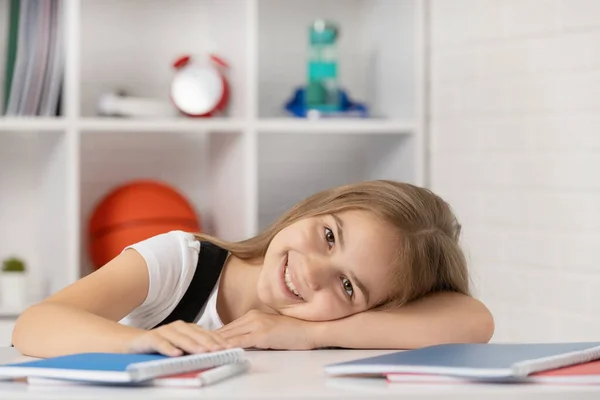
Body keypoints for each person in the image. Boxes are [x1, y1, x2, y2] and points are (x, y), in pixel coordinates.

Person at [12, 180, 494, 358]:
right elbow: (33, 326)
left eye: (348, 285)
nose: (312, 273)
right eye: (329, 236)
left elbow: (474, 321)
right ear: (315, 206)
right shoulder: (180, 262)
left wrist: (304, 334)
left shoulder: (322, 326)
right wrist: (139, 342)